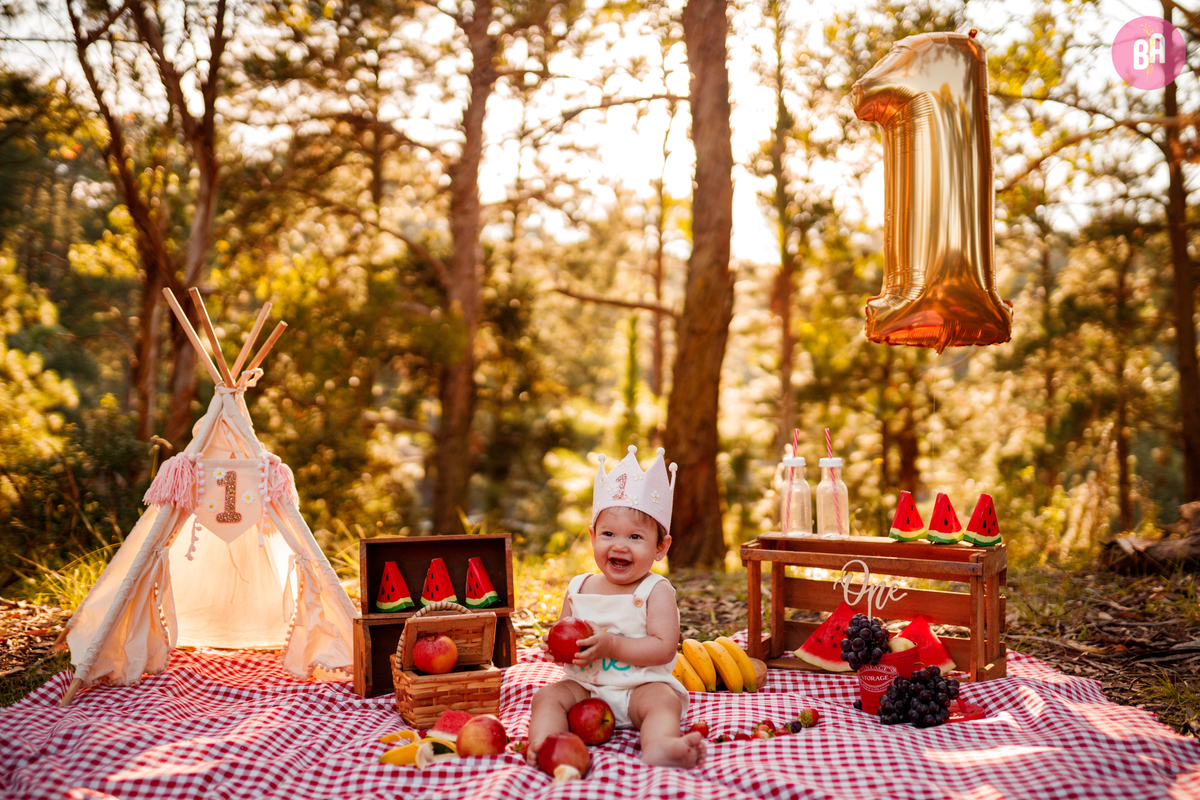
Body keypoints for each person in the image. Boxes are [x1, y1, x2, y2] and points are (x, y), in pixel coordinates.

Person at [526, 446, 706, 769]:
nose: (619, 545)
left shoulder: (656, 590)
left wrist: (610, 645)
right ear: (593, 538)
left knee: (664, 703)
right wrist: (555, 648)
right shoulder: (578, 587)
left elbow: (664, 649)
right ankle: (546, 744)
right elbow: (562, 635)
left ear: (661, 547)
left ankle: (660, 746)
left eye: (636, 537)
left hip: (640, 687)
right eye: (608, 533)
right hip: (585, 687)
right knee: (547, 697)